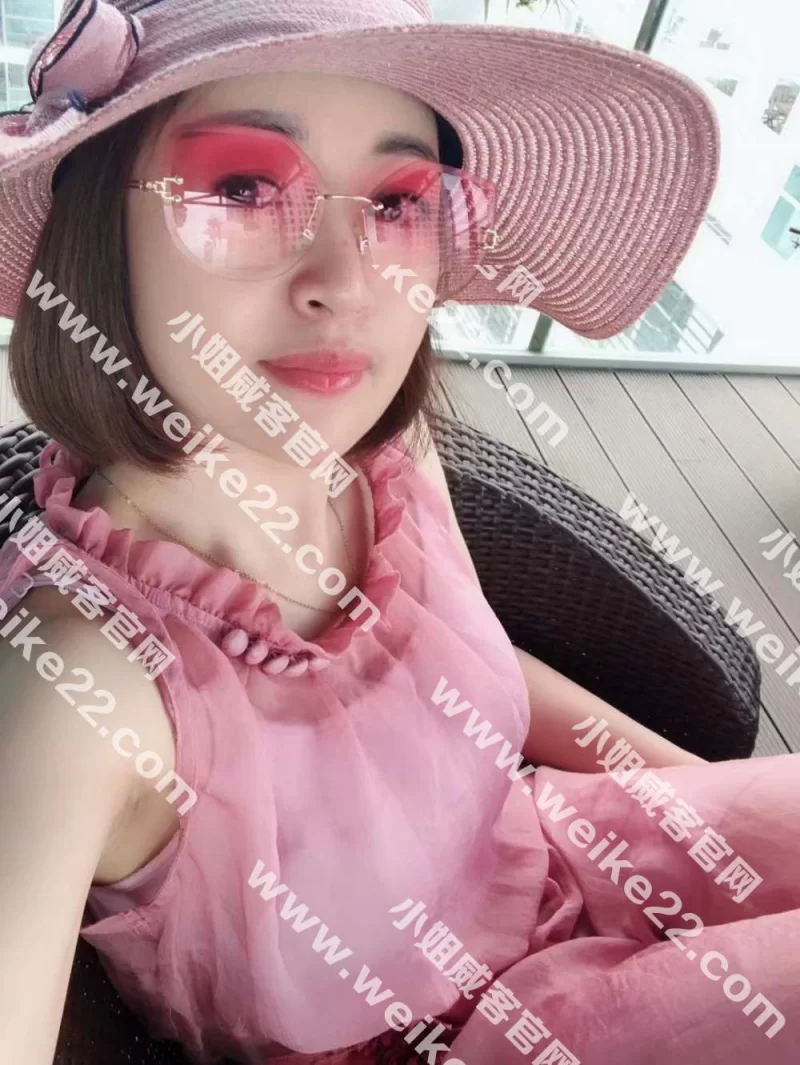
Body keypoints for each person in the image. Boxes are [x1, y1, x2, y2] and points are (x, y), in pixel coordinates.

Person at [0, 2, 797, 1064]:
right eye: (242, 189)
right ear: (99, 232)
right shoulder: (80, 689)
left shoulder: (381, 457)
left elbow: (444, 679)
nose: (347, 283)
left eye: (395, 202)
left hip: (571, 853)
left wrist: (697, 803)